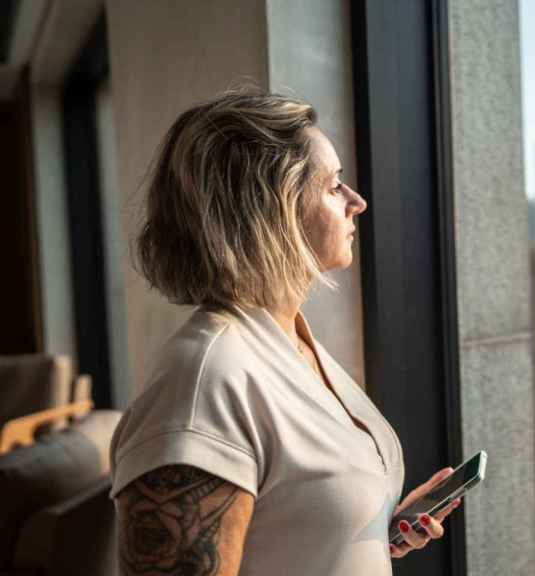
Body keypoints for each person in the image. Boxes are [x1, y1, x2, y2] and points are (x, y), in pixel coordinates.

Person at [110, 90, 456, 576]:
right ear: (272, 213)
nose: (356, 201)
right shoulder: (206, 381)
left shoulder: (290, 342)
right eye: (333, 186)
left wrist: (373, 529)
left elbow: (288, 523)